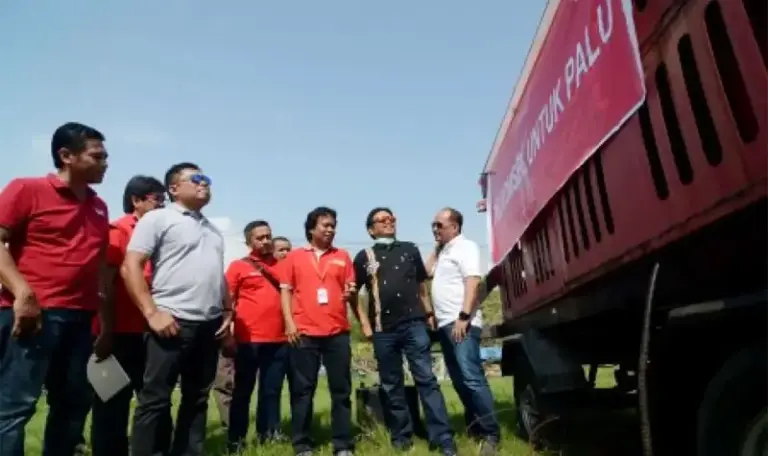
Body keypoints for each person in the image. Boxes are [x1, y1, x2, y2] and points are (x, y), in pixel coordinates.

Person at [0, 122, 110, 456]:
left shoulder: (99, 206)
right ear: (66, 156)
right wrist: (23, 293)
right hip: (32, 314)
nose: (105, 163)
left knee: (75, 401)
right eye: (97, 156)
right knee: (16, 404)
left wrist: (102, 322)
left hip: (81, 318)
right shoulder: (26, 189)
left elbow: (98, 269)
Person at [122, 162, 233, 456]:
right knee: (155, 400)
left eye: (207, 179)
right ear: (173, 188)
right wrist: (151, 312)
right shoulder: (158, 218)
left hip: (208, 325)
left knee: (197, 398)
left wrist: (227, 311)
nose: (204, 183)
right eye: (196, 179)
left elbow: (216, 274)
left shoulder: (213, 230)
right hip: (171, 320)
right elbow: (131, 265)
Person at [352, 207, 458, 455]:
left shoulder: (409, 249)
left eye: (392, 218)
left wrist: (429, 313)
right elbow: (351, 294)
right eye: (382, 220)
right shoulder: (363, 256)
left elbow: (421, 285)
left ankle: (442, 438)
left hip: (414, 324)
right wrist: (365, 324)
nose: (389, 222)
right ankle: (402, 437)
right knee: (391, 384)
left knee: (426, 379)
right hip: (382, 329)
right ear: (371, 229)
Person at [89, 175, 167, 456]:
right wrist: (106, 331)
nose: (162, 204)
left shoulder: (163, 233)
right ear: (136, 200)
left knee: (156, 399)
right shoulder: (119, 231)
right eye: (156, 198)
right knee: (112, 401)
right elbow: (105, 285)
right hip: (120, 332)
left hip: (155, 331)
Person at [279, 207, 356, 456]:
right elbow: (285, 291)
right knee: (302, 390)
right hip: (304, 332)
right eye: (325, 225)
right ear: (312, 228)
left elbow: (349, 288)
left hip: (337, 332)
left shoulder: (343, 256)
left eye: (333, 225)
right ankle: (302, 444)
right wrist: (289, 323)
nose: (330, 229)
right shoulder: (294, 256)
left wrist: (350, 292)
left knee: (341, 390)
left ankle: (342, 444)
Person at [427, 207, 500, 455]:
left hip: (462, 323)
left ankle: (491, 433)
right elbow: (425, 273)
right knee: (459, 379)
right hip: (445, 324)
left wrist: (464, 316)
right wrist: (437, 249)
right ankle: (476, 425)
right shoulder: (444, 251)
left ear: (455, 227)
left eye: (439, 225)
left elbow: (472, 281)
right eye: (433, 226)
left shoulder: (465, 246)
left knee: (471, 377)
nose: (435, 229)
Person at [226, 221, 289, 451]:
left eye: (268, 236)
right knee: (243, 392)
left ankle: (269, 434)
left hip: (279, 340)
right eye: (259, 238)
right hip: (247, 340)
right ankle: (236, 439)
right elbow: (227, 302)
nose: (265, 241)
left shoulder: (284, 266)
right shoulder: (238, 267)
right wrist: (228, 334)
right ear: (248, 242)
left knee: (271, 391)